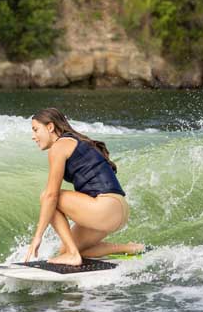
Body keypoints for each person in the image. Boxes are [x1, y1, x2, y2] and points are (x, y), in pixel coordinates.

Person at [26, 107, 145, 266]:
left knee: (46, 196)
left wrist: (37, 237)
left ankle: (73, 254)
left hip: (104, 207)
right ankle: (129, 248)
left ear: (50, 127)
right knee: (66, 250)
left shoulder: (59, 146)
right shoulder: (77, 141)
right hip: (118, 210)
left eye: (35, 130)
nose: (33, 136)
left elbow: (51, 196)